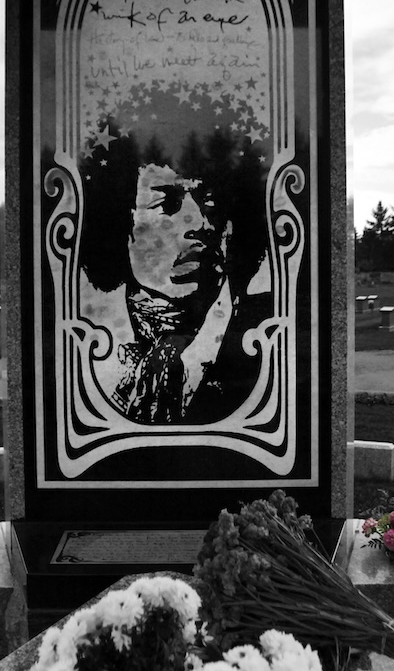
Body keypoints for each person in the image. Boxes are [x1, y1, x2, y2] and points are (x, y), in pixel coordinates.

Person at [74, 82, 272, 425]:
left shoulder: (267, 333)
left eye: (208, 200)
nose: (198, 222)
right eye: (167, 203)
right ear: (122, 223)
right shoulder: (85, 339)